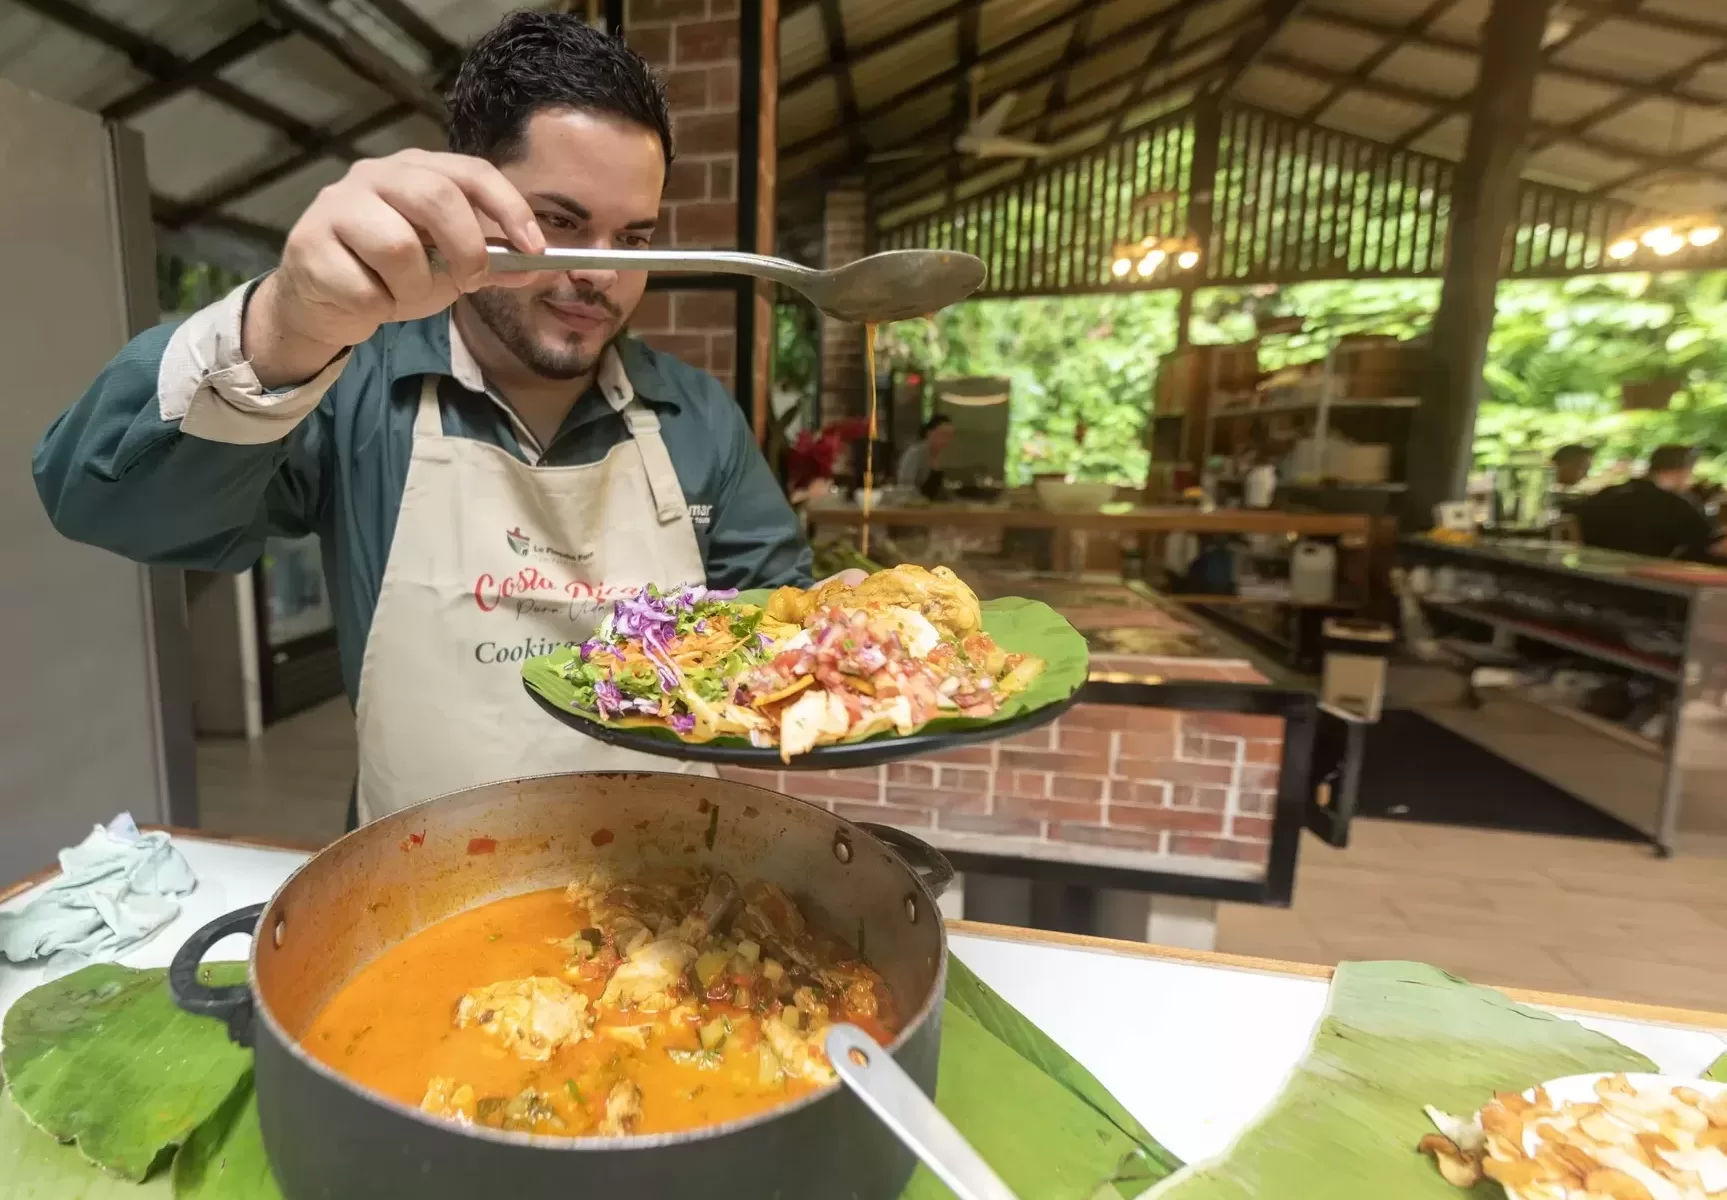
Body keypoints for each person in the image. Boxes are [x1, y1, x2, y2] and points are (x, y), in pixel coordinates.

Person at [34, 14, 850, 828]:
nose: (601, 274)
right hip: (423, 872)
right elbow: (107, 503)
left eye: (632, 238)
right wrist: (286, 324)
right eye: (559, 223)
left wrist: (851, 632)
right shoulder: (352, 388)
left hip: (672, 866)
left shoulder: (696, 415)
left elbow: (781, 620)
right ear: (467, 198)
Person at [1574, 444, 1727, 561]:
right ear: (1682, 471)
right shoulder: (1676, 506)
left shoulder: (1607, 493)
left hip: (1590, 574)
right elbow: (1712, 547)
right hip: (1647, 583)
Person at [895, 414, 954, 500]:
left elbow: (941, 489)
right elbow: (905, 486)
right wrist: (921, 501)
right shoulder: (915, 453)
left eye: (949, 436)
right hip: (913, 505)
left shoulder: (940, 455)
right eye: (943, 434)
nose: (946, 439)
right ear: (929, 433)